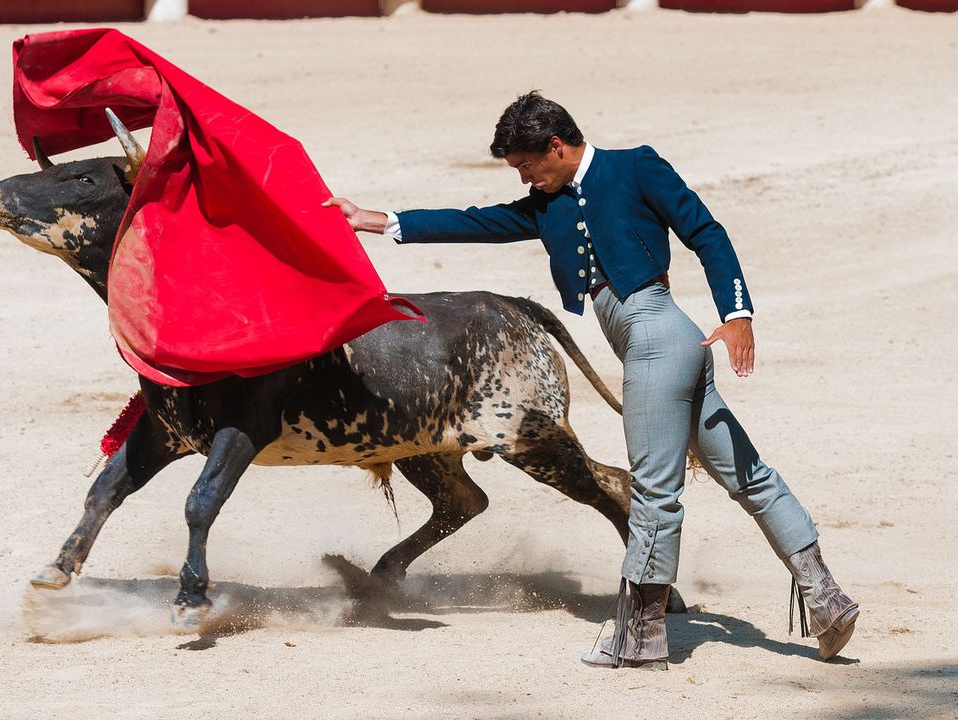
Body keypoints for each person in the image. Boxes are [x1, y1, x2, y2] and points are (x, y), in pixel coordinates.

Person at [323, 91, 858, 669]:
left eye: (527, 164)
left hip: (658, 340)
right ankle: (827, 597)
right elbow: (475, 221)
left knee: (655, 490)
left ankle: (642, 637)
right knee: (748, 475)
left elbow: (707, 232)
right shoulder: (546, 202)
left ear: (556, 146)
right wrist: (375, 221)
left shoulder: (636, 166)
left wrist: (737, 316)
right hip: (664, 347)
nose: (525, 177)